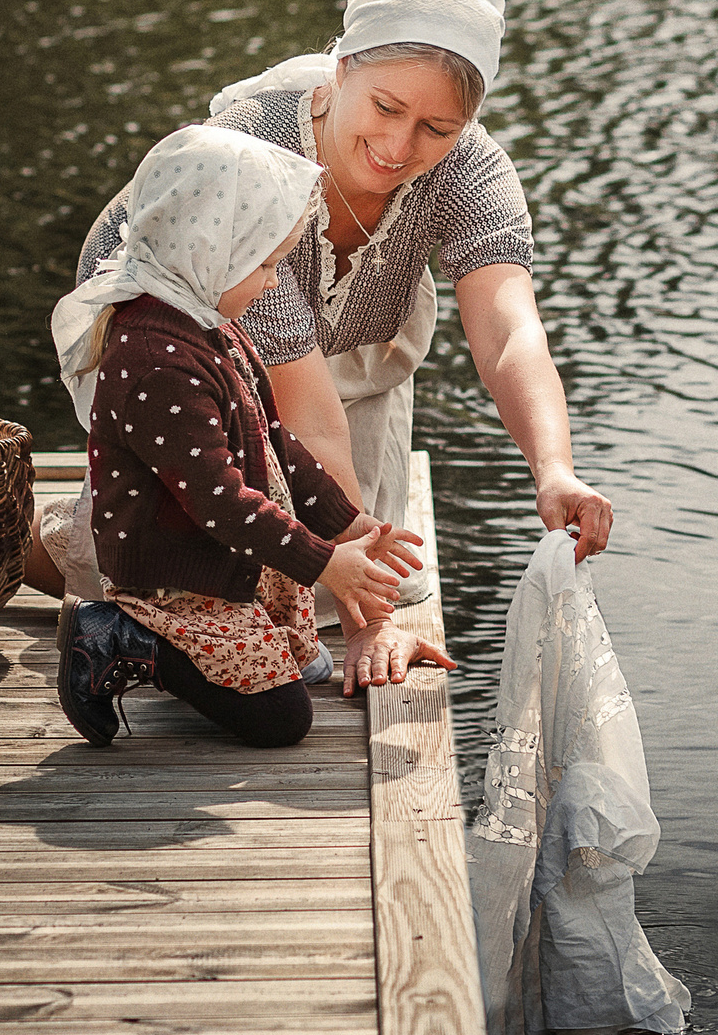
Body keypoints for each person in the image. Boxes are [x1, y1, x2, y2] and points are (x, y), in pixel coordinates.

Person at [35, 0, 616, 692]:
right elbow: (308, 417)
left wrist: (553, 470)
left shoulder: (471, 171)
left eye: (437, 127)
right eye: (384, 108)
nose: (400, 147)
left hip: (343, 341)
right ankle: (41, 542)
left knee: (344, 577)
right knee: (220, 562)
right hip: (177, 346)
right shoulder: (260, 164)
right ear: (340, 70)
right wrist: (377, 625)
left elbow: (509, 332)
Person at [44, 124, 442, 749]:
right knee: (282, 720)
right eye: (262, 264)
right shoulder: (156, 355)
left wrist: (348, 525)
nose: (270, 282)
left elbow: (276, 440)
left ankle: (230, 651)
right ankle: (121, 635)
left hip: (225, 558)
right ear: (206, 250)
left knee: (306, 665)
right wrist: (324, 562)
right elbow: (218, 503)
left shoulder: (208, 322)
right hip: (177, 577)